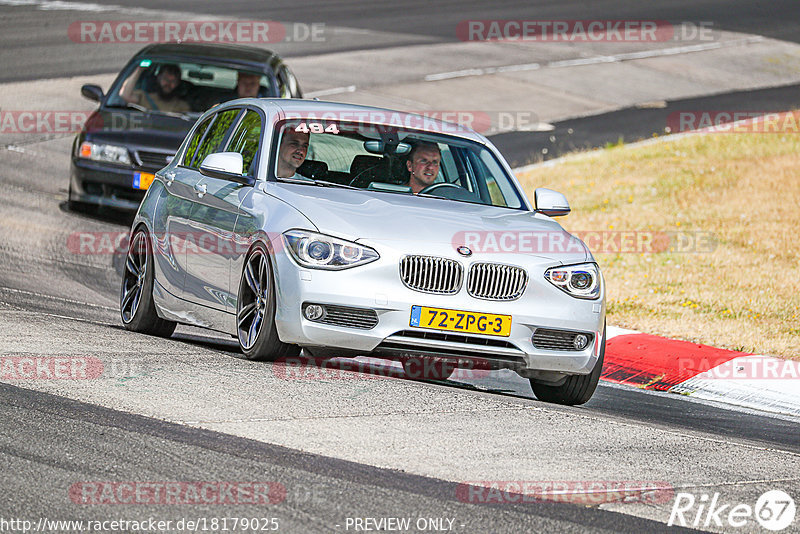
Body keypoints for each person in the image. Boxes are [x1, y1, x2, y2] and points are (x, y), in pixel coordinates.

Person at [120, 63, 190, 113]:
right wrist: (139, 70)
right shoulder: (143, 97)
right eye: (165, 79)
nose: (168, 84)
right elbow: (125, 94)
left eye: (173, 81)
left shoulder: (182, 106)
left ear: (178, 83)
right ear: (158, 78)